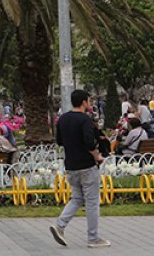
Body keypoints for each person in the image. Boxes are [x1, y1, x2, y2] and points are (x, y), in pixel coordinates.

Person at [50, 90, 109, 248]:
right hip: (87, 166)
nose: (89, 104)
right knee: (92, 202)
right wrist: (97, 156)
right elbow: (89, 142)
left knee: (76, 198)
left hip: (71, 165)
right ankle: (93, 238)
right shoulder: (85, 120)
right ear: (84, 102)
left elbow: (60, 141)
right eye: (88, 101)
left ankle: (60, 226)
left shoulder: (62, 119)